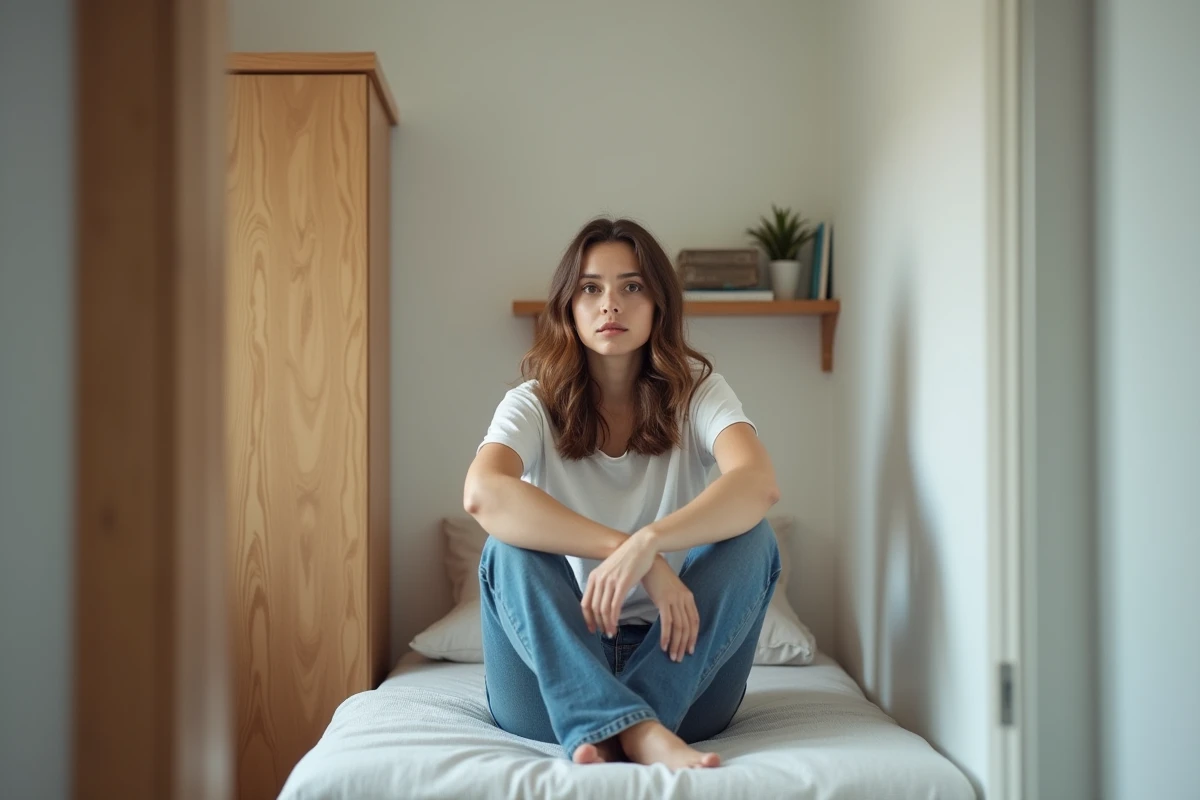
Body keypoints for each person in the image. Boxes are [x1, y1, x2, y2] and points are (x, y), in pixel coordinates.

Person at [462, 216, 781, 770]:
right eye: (591, 288)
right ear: (569, 306)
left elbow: (758, 483)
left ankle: (626, 723)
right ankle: (640, 731)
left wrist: (650, 541)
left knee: (754, 539)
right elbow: (483, 494)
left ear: (658, 304)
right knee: (504, 548)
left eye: (632, 286)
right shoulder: (531, 402)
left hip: (680, 667)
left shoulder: (697, 391)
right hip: (549, 680)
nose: (611, 303)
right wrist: (623, 549)